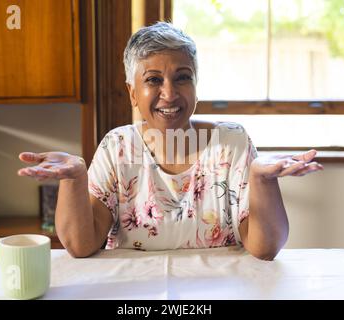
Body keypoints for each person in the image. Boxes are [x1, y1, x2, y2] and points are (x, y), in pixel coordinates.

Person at [18, 22, 323, 260]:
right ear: (132, 93)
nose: (170, 93)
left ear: (196, 86)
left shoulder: (232, 142)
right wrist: (73, 179)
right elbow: (81, 246)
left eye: (182, 77)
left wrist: (262, 180)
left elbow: (264, 249)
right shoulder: (117, 146)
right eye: (153, 80)